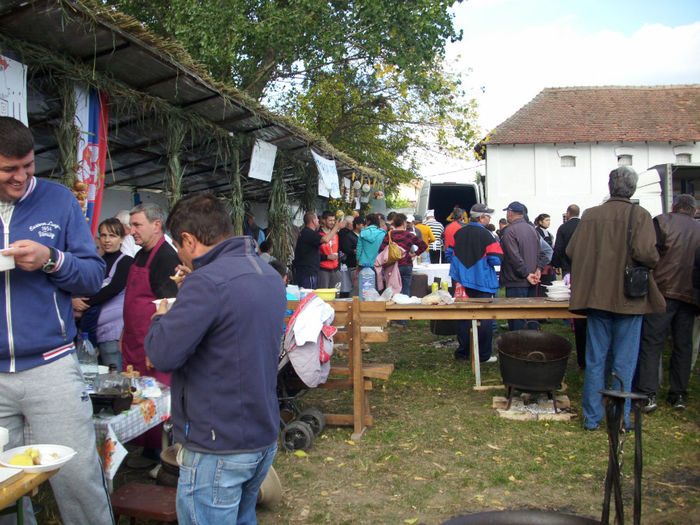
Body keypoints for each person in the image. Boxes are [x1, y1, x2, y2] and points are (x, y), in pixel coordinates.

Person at [145, 193, 285, 524]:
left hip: (217, 443)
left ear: (189, 240)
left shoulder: (206, 283)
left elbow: (162, 353)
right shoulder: (266, 274)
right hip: (260, 434)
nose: (180, 255)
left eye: (179, 247)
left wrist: (162, 315)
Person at [0, 116, 113, 524]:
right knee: (4, 488)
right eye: (9, 169)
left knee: (78, 476)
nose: (21, 177)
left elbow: (92, 273)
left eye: (27, 166)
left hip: (51, 363)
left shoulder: (59, 200)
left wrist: (51, 259)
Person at [567, 166, 666, 431]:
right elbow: (647, 255)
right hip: (628, 299)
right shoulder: (640, 215)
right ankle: (620, 418)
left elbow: (572, 250)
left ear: (611, 187)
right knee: (624, 360)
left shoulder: (590, 215)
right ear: (631, 189)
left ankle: (592, 418)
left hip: (598, 295)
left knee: (596, 358)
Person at [635, 194, 700, 412]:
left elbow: (649, 253)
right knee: (683, 345)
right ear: (694, 211)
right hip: (690, 294)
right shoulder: (698, 228)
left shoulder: (661, 221)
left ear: (674, 207)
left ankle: (648, 393)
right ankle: (679, 394)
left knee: (652, 343)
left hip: (661, 292)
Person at [122, 203, 180, 381]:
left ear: (156, 225)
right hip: (132, 344)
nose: (132, 231)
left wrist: (157, 347)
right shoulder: (140, 255)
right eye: (131, 226)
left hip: (150, 349)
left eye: (137, 225)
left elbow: (170, 307)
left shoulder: (166, 257)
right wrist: (124, 333)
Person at [72, 218, 133, 372]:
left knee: (114, 376)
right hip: (90, 331)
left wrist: (84, 303)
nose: (107, 240)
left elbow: (113, 288)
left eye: (112, 236)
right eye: (103, 235)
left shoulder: (126, 262)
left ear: (122, 238)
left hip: (112, 332)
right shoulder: (97, 262)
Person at [448, 203, 503, 362]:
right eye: (488, 216)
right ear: (481, 217)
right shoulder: (487, 235)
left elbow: (450, 253)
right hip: (482, 280)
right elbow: (496, 258)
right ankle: (483, 355)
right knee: (484, 319)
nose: (489, 219)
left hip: (462, 281)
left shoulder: (459, 232)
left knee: (464, 317)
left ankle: (464, 352)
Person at [499, 201, 547, 330]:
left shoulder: (509, 231)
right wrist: (538, 269)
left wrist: (527, 274)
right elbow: (542, 254)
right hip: (531, 279)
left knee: (517, 317)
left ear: (509, 213)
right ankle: (533, 345)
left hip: (517, 280)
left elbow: (513, 257)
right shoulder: (532, 229)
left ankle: (519, 347)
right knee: (530, 315)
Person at [552, 204, 587, 368]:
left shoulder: (564, 228)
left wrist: (556, 265)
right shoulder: (586, 226)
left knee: (570, 299)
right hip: (586, 270)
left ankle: (570, 319)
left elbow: (558, 248)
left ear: (568, 213)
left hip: (569, 269)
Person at [379, 213, 427, 298]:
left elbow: (381, 250)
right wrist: (414, 254)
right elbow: (424, 245)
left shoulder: (389, 235)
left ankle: (394, 309)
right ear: (404, 223)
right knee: (406, 290)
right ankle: (405, 308)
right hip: (406, 264)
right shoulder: (409, 235)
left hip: (392, 266)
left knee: (393, 290)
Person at [292, 211, 342, 289]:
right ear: (313, 221)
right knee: (309, 295)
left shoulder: (307, 232)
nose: (319, 221)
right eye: (317, 219)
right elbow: (325, 239)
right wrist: (336, 227)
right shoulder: (308, 233)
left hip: (310, 270)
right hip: (308, 272)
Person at [356, 213, 386, 284]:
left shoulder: (363, 232)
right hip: (378, 264)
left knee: (365, 287)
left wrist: (357, 263)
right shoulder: (382, 233)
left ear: (368, 221)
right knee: (377, 286)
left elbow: (359, 249)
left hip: (364, 264)